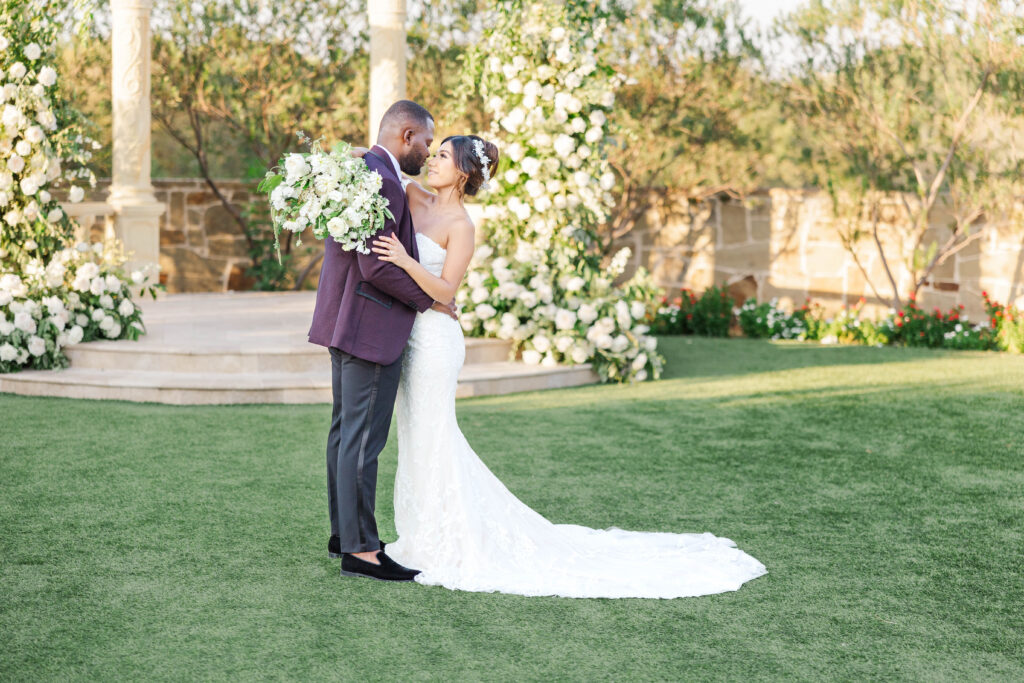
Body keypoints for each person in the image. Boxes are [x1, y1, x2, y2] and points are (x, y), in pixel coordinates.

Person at [367, 134, 768, 598]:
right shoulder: (412, 195)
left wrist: (400, 257)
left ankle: (445, 538)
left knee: (434, 433)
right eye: (432, 153)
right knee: (415, 433)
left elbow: (444, 290)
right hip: (410, 335)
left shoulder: (461, 225)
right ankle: (423, 530)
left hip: (436, 343)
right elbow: (380, 165)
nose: (431, 160)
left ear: (462, 173)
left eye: (441, 157)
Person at [308, 100, 455, 582]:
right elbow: (376, 266)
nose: (429, 152)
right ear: (407, 136)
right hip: (371, 326)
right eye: (428, 143)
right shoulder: (384, 181)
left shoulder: (363, 169)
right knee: (363, 439)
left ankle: (343, 534)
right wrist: (429, 301)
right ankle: (362, 551)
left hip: (344, 320)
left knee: (344, 433)